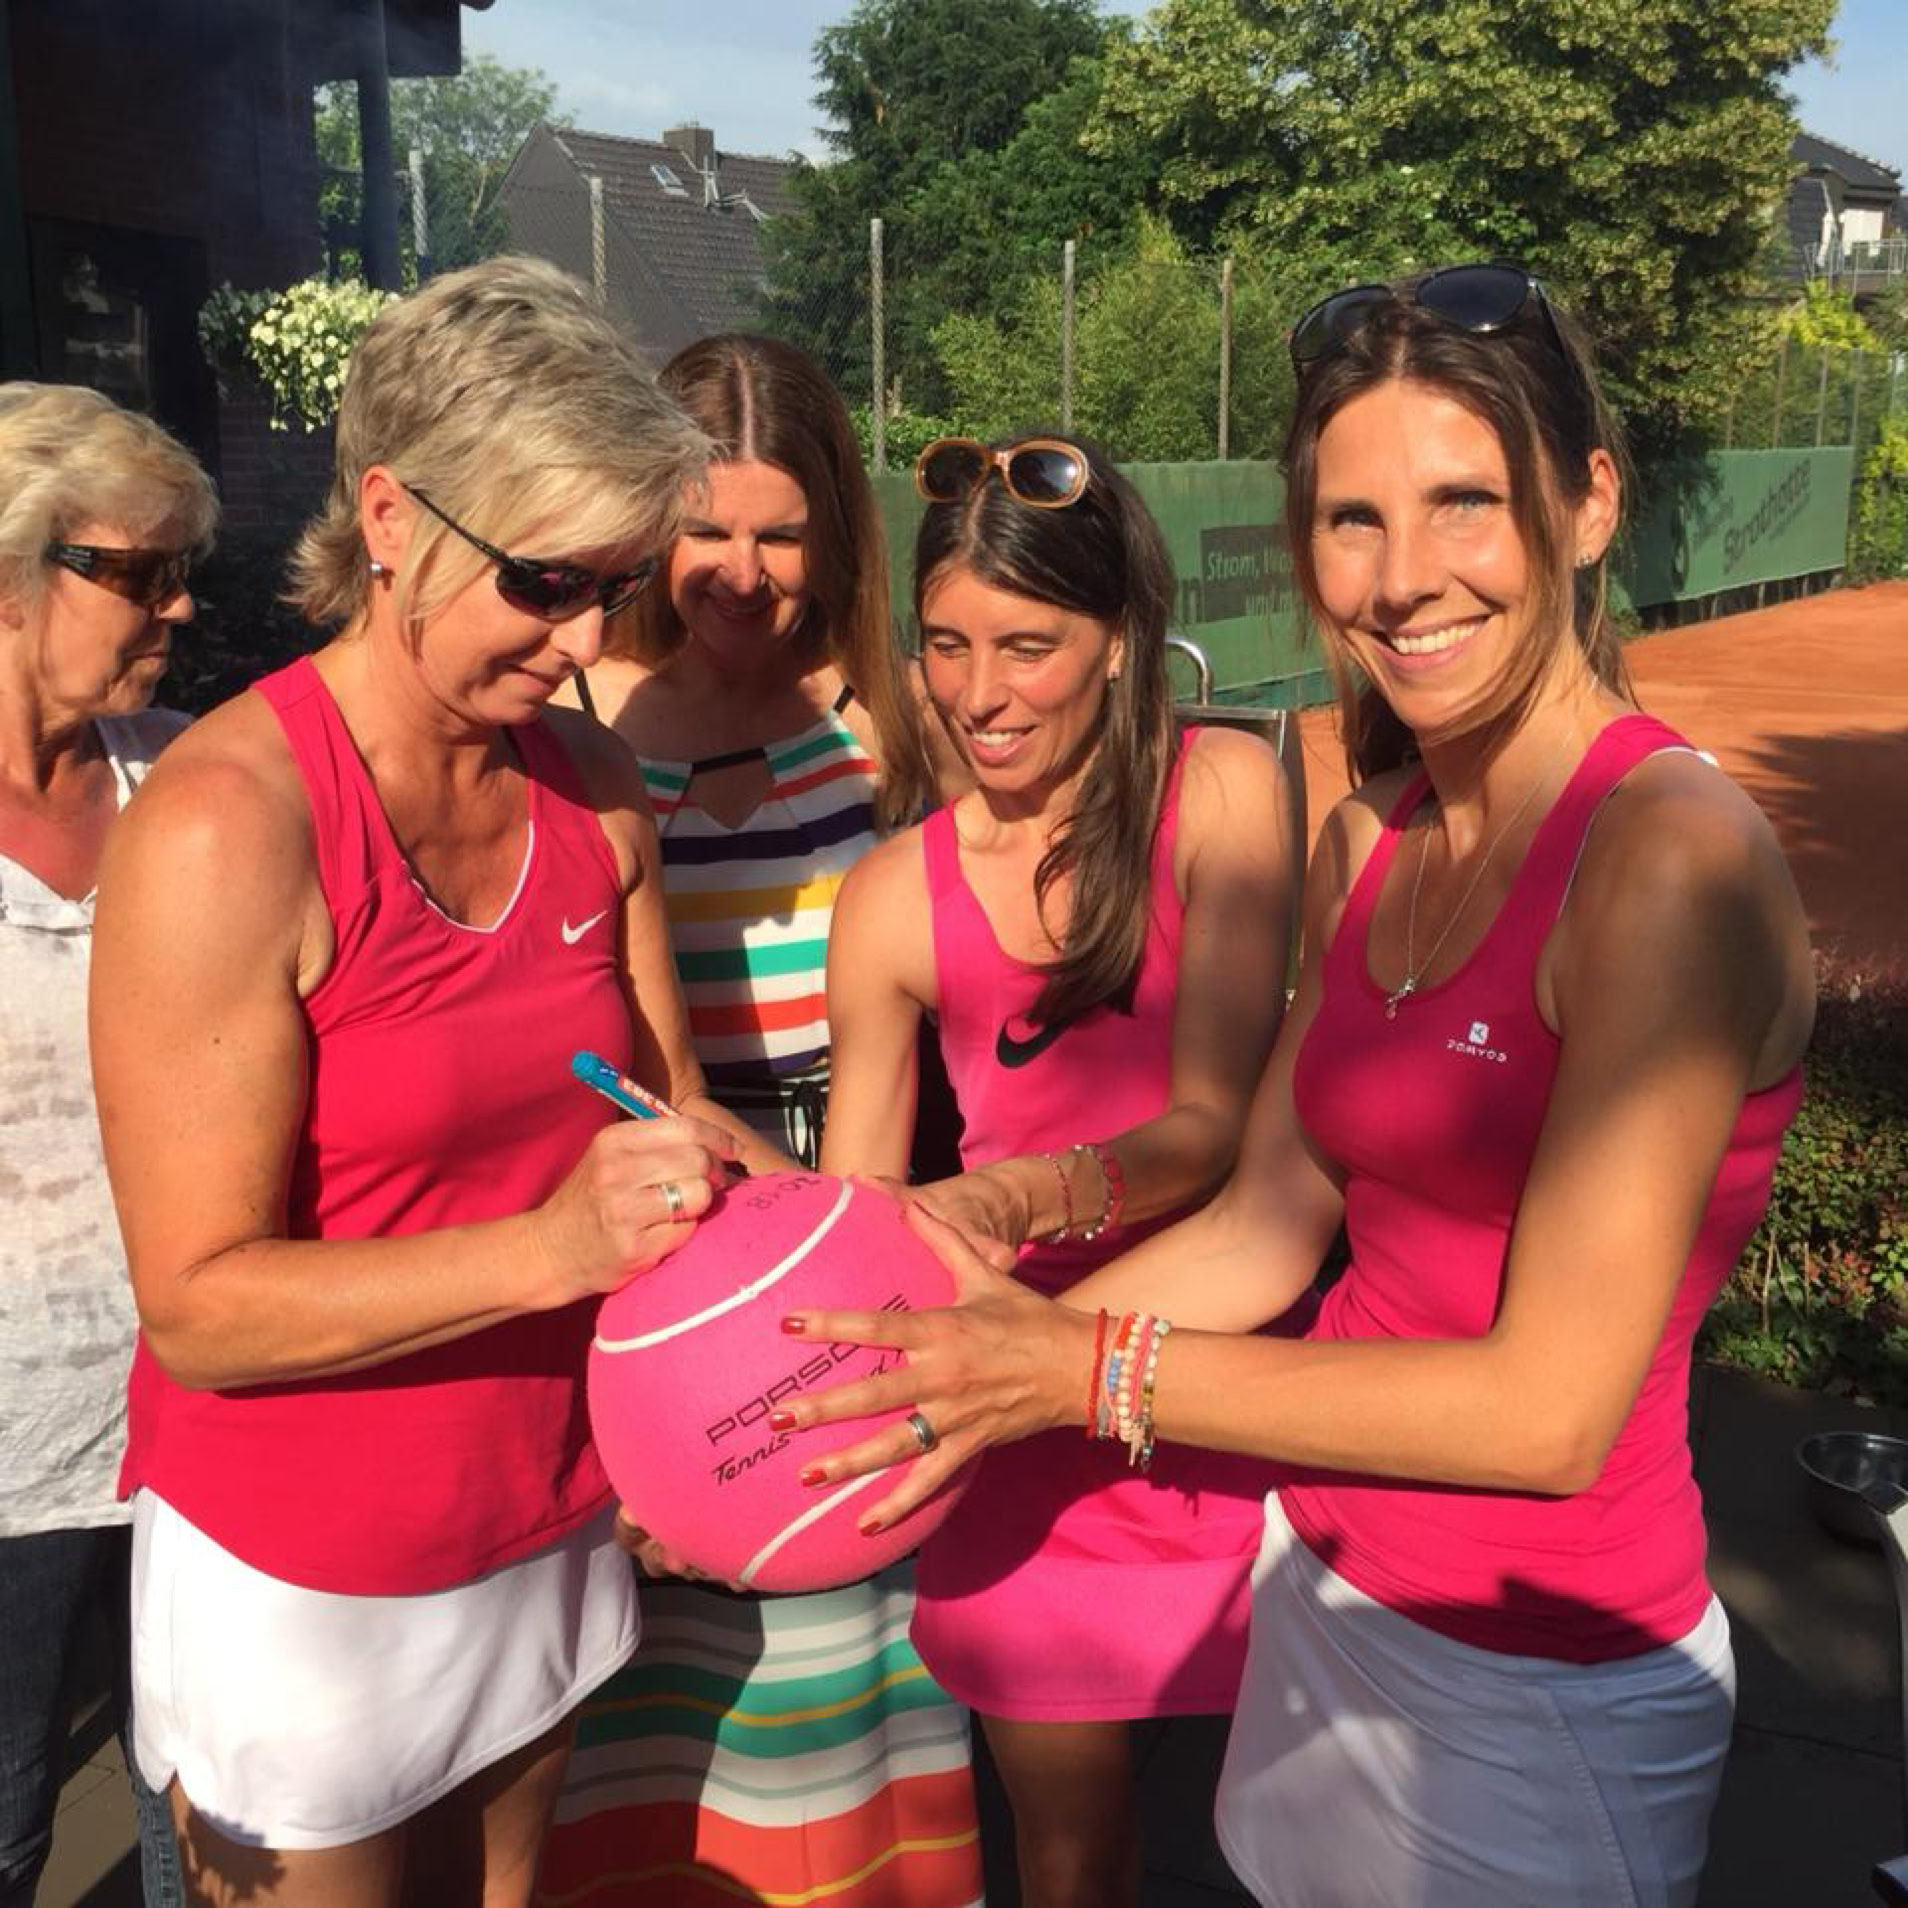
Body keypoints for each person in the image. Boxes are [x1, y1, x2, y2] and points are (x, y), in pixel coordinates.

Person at [774, 264, 1816, 1908]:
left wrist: (1073, 1370)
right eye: (1352, 521)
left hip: (1539, 1671)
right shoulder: (1367, 838)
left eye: (1464, 503)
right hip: (1321, 1589)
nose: (1402, 580)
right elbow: (1265, 1227)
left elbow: (1546, 1416)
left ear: (1590, 504)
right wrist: (973, 1345)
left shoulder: (1667, 861)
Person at [90, 257, 788, 1908]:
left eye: (616, 586)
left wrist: (802, 1247)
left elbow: (670, 1121)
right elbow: (199, 1308)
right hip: (304, 1578)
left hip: (545, 1511)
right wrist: (552, 1250)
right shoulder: (227, 825)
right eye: (544, 582)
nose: (585, 640)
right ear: (392, 517)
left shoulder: (593, 784)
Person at [815, 432, 1302, 1907]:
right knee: (1072, 1855)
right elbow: (854, 1223)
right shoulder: (886, 898)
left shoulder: (1225, 793)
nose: (980, 692)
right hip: (1007, 1432)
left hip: (1225, 1383)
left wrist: (1013, 1196)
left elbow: (1212, 1130)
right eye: (948, 645)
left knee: (1304, 1839)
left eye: (1028, 645)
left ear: (1120, 642)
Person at [538, 333, 983, 1908]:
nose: (741, 570)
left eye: (781, 533)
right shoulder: (569, 716)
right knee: (651, 1726)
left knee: (842, 1686)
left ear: (835, 531)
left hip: (854, 1238)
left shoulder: (898, 725)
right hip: (652, 1254)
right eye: (705, 527)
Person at [0, 381, 211, 1908]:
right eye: (141, 571)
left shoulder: (186, 778)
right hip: (8, 1457)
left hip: (193, 1428)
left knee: (204, 1831)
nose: (178, 604)